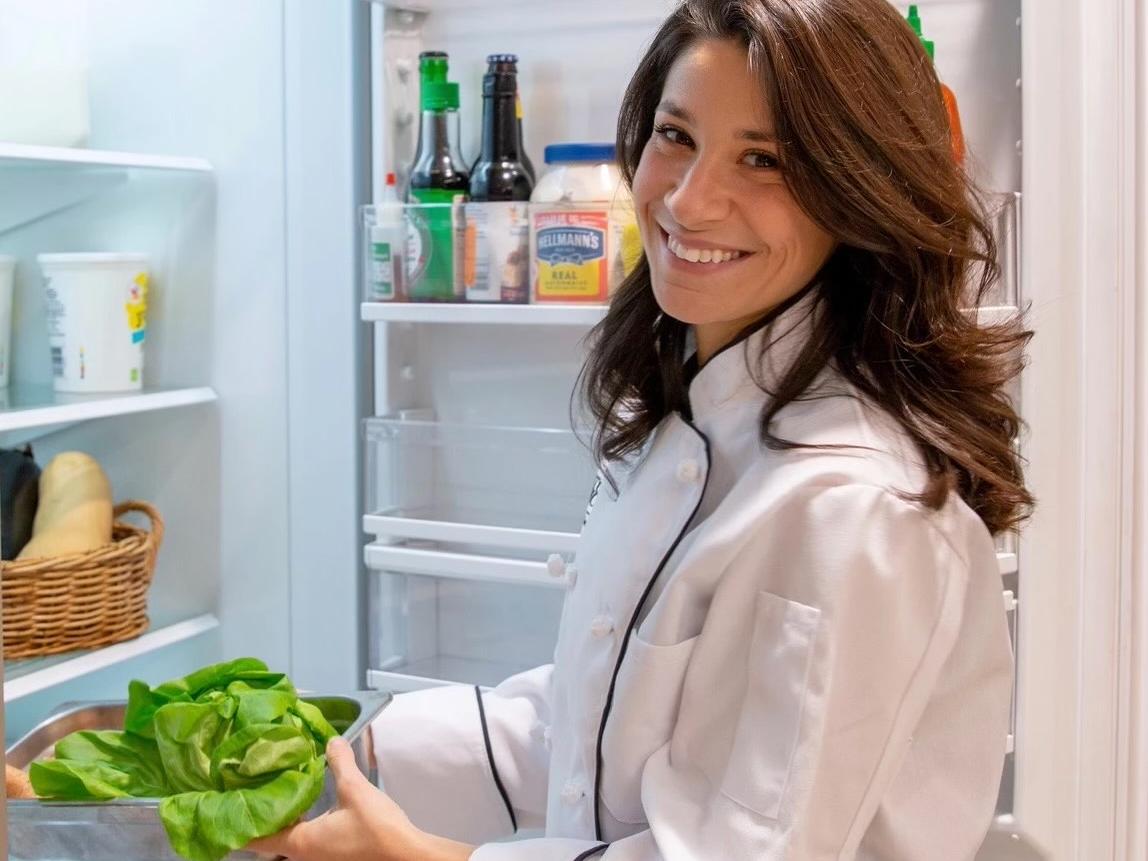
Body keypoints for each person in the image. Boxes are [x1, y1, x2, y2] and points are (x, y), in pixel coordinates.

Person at [250, 0, 1031, 858]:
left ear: (858, 191)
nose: (690, 201)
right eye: (676, 135)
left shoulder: (851, 510)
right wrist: (332, 748)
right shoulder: (692, 416)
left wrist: (418, 856)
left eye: (764, 158)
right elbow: (595, 728)